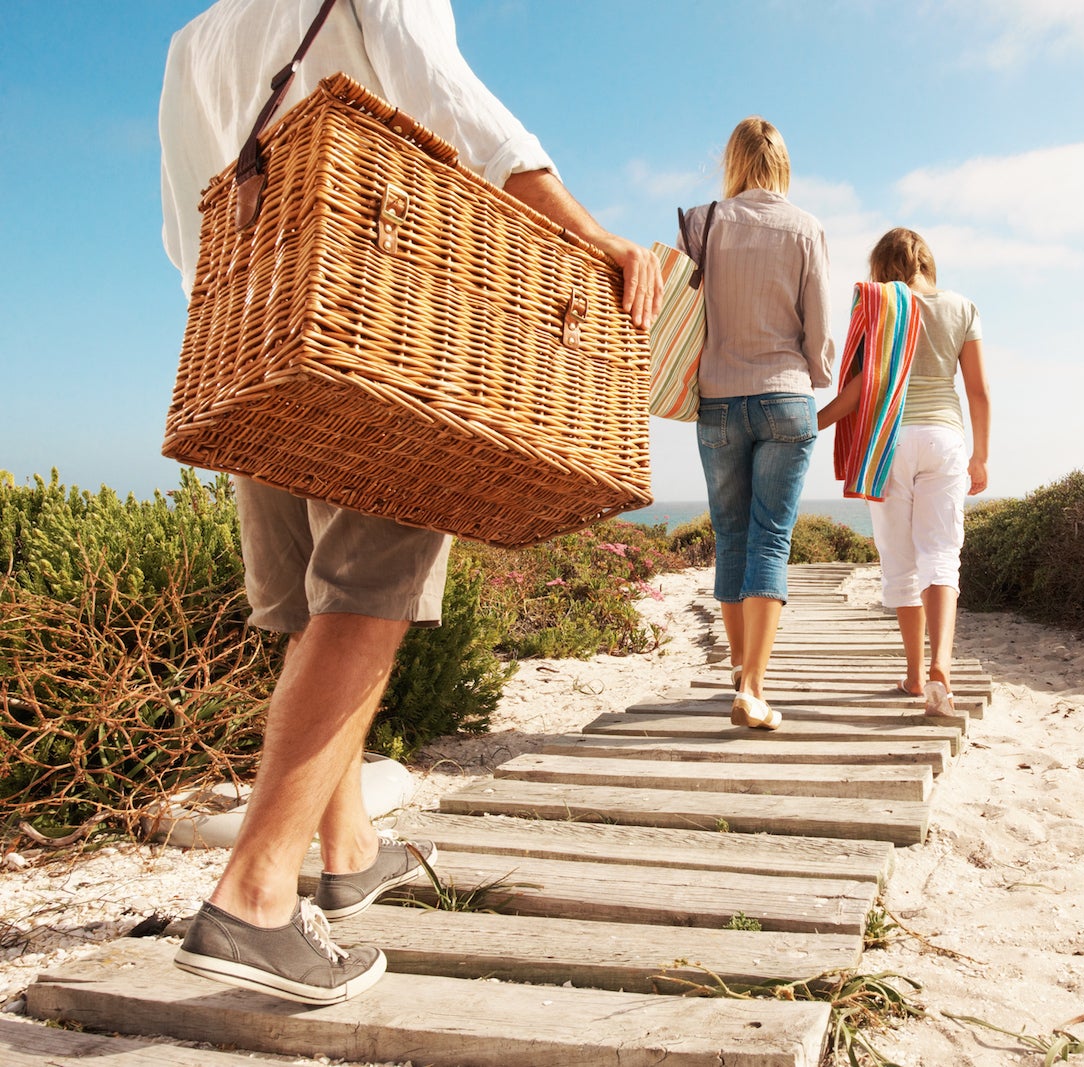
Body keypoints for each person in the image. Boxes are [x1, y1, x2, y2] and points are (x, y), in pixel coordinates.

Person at [159, 0, 662, 1005]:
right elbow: (448, 100)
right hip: (370, 304)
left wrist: (243, 301)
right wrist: (587, 231)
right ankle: (252, 898)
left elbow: (190, 218)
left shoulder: (196, 39)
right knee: (365, 594)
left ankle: (346, 849)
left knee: (308, 605)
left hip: (257, 323)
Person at [680, 117, 834, 732]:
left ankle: (741, 673)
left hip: (717, 398)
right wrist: (814, 371)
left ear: (734, 161)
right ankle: (752, 686)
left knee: (731, 536)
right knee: (771, 538)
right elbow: (819, 329)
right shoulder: (807, 227)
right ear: (783, 164)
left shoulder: (704, 221)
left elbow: (683, 312)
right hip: (784, 397)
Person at [818, 228, 990, 716]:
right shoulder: (962, 307)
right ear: (927, 264)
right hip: (945, 439)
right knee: (941, 556)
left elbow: (861, 388)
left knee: (900, 562)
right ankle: (941, 668)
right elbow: (978, 390)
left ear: (882, 267)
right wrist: (981, 455)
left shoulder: (881, 307)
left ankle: (914, 675)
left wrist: (812, 424)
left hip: (889, 440)